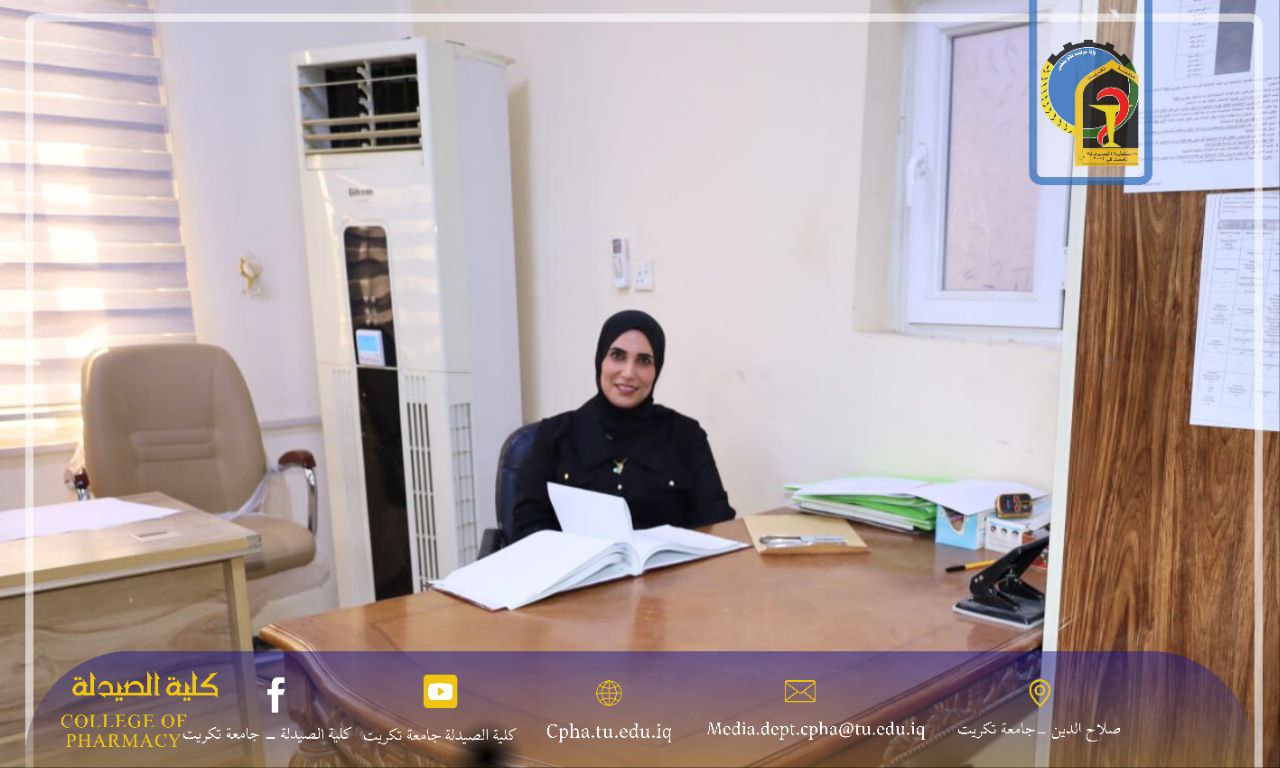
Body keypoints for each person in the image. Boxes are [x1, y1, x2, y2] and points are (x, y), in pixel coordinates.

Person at [511, 310, 735, 541]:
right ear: (600, 360)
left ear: (656, 369)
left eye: (644, 361)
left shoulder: (686, 436)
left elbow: (717, 523)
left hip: (671, 564)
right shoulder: (555, 436)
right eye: (618, 356)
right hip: (579, 564)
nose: (628, 373)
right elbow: (528, 526)